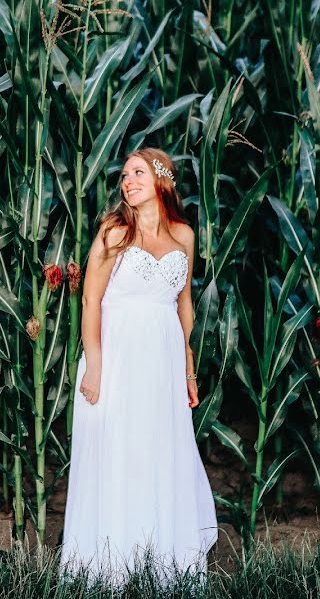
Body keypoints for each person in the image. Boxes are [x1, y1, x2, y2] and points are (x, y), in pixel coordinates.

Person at [61, 147, 217, 584]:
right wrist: (94, 366)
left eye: (137, 173)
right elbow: (91, 299)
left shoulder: (184, 236)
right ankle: (109, 568)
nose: (127, 181)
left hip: (162, 363)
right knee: (117, 453)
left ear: (161, 180)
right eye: (124, 175)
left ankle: (161, 564)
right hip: (118, 358)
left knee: (159, 453)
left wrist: (187, 366)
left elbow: (183, 303)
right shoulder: (114, 232)